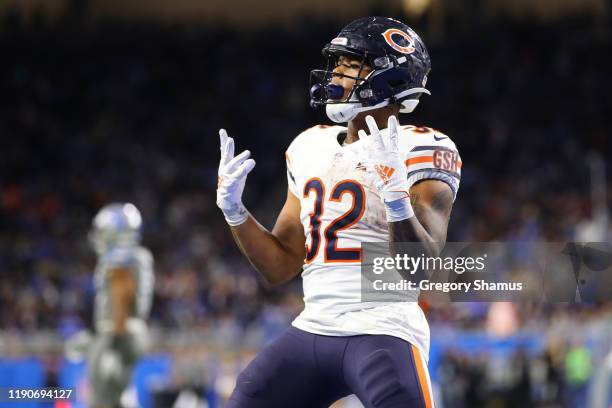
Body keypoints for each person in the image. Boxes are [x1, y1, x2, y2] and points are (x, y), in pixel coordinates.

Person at [216, 16, 461, 408]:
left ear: (390, 78)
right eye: (338, 64)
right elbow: (280, 266)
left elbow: (423, 270)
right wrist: (234, 212)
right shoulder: (308, 146)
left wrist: (396, 194)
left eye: (350, 65)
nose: (335, 75)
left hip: (384, 328)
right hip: (314, 325)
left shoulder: (424, 147)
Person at [87, 203, 155, 408]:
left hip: (119, 336)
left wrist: (112, 346)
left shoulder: (121, 261)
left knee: (104, 400)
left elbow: (121, 296)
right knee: (118, 397)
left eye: (105, 232)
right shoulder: (137, 257)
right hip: (126, 333)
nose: (101, 237)